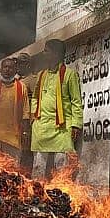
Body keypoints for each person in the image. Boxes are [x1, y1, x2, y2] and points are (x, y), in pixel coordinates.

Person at [30, 39, 83, 179]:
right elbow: (35, 97)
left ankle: (60, 196)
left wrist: (76, 125)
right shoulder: (42, 75)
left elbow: (76, 102)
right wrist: (34, 116)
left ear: (55, 54)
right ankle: (37, 196)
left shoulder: (69, 74)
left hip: (62, 128)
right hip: (42, 127)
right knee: (39, 168)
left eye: (46, 51)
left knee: (61, 168)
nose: (43, 53)